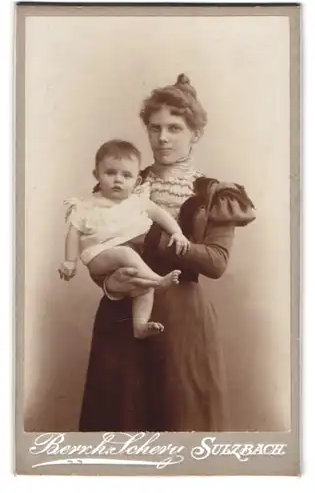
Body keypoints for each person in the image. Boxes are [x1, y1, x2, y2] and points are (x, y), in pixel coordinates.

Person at [79, 73, 256, 432]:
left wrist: (163, 242)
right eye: (155, 127)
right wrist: (109, 283)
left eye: (174, 128)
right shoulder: (123, 181)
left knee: (179, 428)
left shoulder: (214, 193)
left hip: (182, 324)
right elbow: (96, 248)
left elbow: (217, 263)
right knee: (119, 428)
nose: (162, 138)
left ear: (195, 133)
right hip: (122, 319)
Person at [58, 139, 190, 339]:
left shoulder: (138, 201)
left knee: (141, 285)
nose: (118, 179)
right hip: (98, 256)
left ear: (136, 181)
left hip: (124, 262)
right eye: (110, 173)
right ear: (97, 175)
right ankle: (158, 281)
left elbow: (162, 216)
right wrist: (70, 261)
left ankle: (140, 326)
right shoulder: (87, 205)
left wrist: (177, 233)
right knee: (128, 255)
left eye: (126, 175)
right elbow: (73, 232)